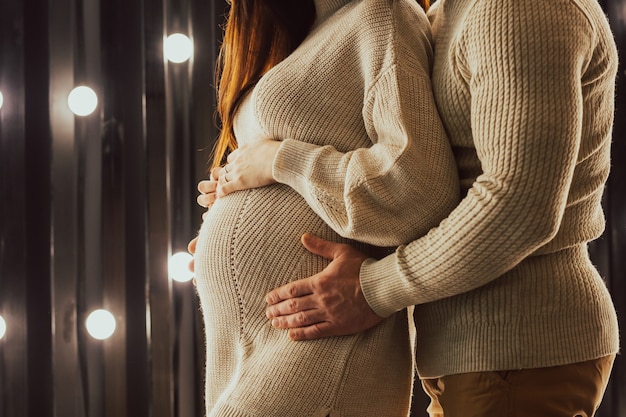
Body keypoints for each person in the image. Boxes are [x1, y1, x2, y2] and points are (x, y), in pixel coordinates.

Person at [230, 0, 620, 416]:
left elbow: (518, 205)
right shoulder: (452, 11)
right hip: (475, 351)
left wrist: (371, 289)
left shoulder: (517, 8)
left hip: (517, 344)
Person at [190, 0, 459, 416]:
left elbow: (419, 187)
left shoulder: (381, 13)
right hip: (254, 339)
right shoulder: (299, 31)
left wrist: (281, 160)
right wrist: (232, 196)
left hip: (318, 343)